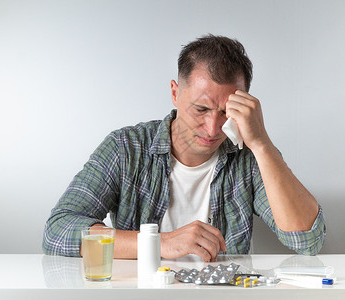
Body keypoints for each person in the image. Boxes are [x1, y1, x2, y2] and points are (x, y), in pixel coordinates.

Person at [43, 34, 326, 261]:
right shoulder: (125, 148)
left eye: (226, 112)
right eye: (201, 109)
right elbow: (57, 231)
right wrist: (160, 243)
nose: (213, 129)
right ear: (176, 93)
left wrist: (262, 143)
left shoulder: (249, 157)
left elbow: (307, 241)